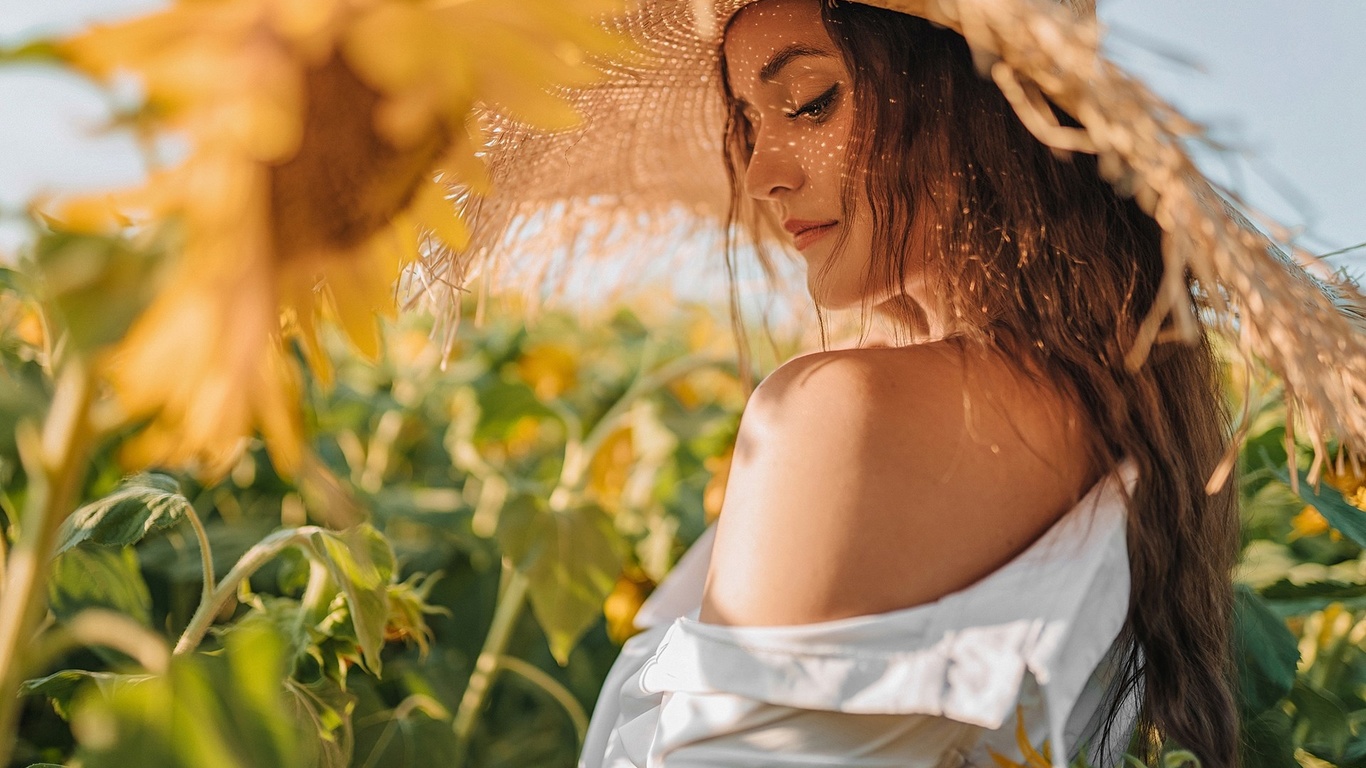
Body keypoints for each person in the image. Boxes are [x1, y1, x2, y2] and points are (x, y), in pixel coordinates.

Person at [574, 0, 1240, 766]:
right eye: (752, 121)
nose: (762, 174)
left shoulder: (843, 410)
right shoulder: (1131, 422)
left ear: (971, 95)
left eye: (810, 103)